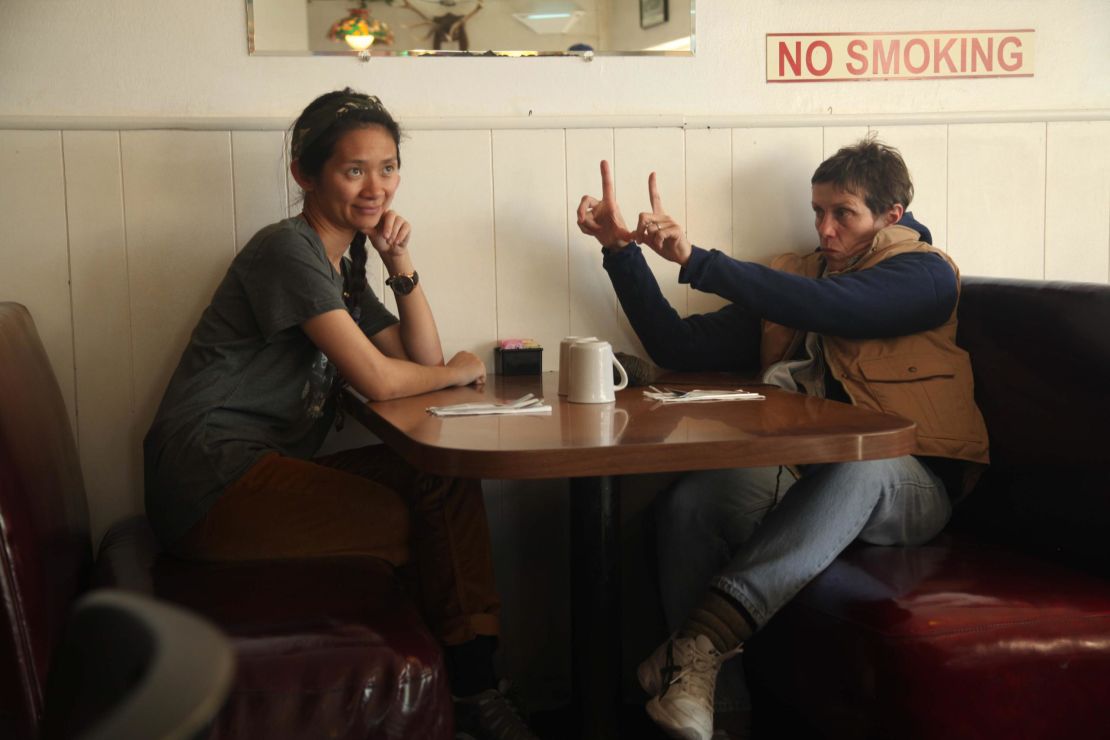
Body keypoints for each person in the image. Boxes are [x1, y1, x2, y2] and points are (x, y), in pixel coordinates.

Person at [143, 88, 537, 740]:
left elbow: (419, 357)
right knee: (411, 514)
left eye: (387, 168)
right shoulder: (287, 250)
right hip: (211, 480)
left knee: (440, 477)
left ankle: (472, 688)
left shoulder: (343, 266)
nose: (375, 187)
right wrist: (457, 373)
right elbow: (384, 380)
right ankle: (471, 693)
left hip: (256, 473)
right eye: (353, 170)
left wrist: (399, 263)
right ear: (306, 173)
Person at [576, 138, 989, 740]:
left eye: (842, 213)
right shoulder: (795, 278)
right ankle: (718, 712)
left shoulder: (925, 274)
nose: (825, 228)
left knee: (867, 460)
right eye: (817, 211)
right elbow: (678, 346)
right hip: (807, 472)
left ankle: (699, 643)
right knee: (693, 503)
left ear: (890, 216)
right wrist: (621, 253)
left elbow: (835, 308)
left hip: (915, 481)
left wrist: (696, 259)